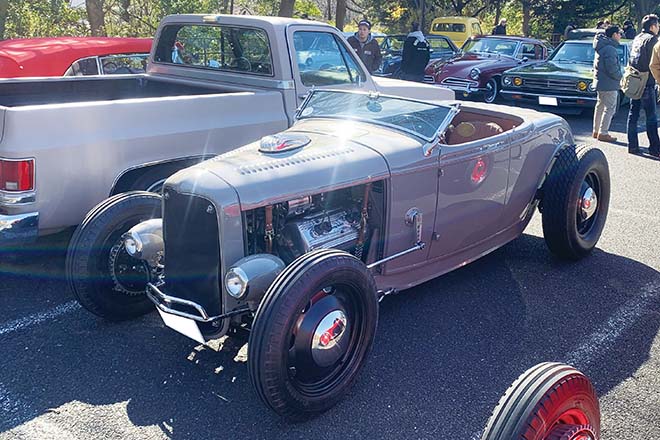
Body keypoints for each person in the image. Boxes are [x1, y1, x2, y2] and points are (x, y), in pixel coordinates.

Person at [627, 14, 660, 156]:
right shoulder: (652, 40)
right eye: (657, 25)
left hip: (634, 80)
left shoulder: (637, 38)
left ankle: (632, 145)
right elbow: (654, 62)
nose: (658, 28)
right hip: (647, 81)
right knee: (651, 116)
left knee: (632, 114)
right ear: (652, 26)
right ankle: (654, 148)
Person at [592, 25, 623, 142]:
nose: (620, 36)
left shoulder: (600, 46)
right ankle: (603, 133)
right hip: (609, 83)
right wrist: (620, 76)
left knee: (600, 106)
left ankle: (596, 131)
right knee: (610, 108)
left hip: (600, 82)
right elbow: (612, 68)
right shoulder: (610, 49)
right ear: (614, 34)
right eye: (619, 33)